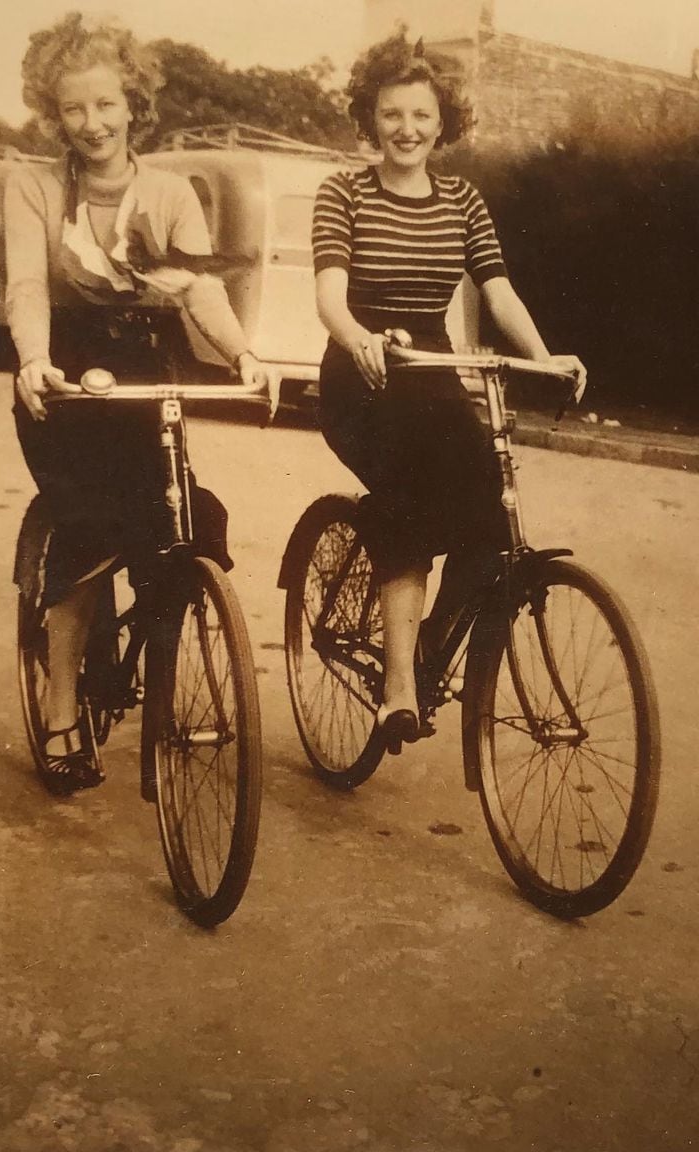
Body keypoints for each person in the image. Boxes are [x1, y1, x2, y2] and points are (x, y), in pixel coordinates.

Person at [7, 12, 274, 793]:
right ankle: (61, 704)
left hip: (143, 380)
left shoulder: (169, 191)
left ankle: (159, 701)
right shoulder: (34, 187)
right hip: (65, 377)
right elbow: (27, 285)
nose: (92, 125)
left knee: (188, 523)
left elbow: (200, 290)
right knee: (89, 529)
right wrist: (32, 360)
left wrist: (244, 354)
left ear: (133, 102)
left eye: (105, 105)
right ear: (54, 115)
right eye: (73, 110)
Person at [312, 31, 585, 754]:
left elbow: (499, 293)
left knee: (493, 514)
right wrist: (358, 337)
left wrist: (543, 356)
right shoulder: (343, 190)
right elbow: (330, 295)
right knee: (406, 504)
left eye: (421, 116)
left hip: (432, 372)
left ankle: (429, 649)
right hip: (361, 373)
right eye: (392, 115)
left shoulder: (463, 199)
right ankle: (398, 689)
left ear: (443, 122)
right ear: (371, 119)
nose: (406, 129)